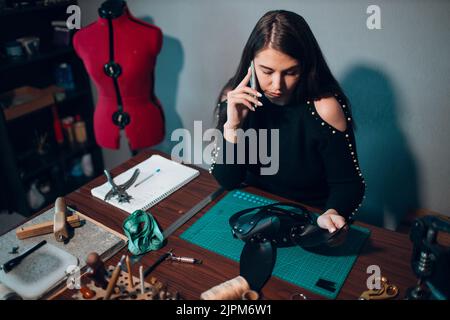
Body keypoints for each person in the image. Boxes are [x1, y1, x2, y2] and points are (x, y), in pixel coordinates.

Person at [210, 10, 365, 233]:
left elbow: (349, 184)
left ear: (306, 66)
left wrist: (333, 211)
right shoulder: (236, 96)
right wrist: (232, 127)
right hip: (251, 209)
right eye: (267, 71)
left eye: (290, 72)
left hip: (309, 217)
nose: (277, 85)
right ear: (251, 63)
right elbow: (228, 181)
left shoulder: (325, 108)